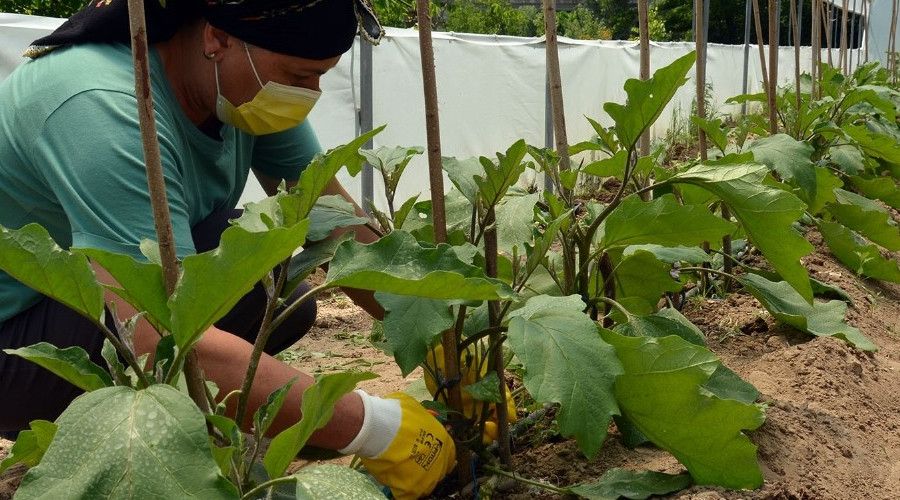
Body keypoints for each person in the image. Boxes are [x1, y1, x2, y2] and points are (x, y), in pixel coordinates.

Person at [0, 0, 455, 497]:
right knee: (197, 323)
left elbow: (336, 225)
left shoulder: (238, 90)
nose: (309, 95)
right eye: (298, 75)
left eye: (320, 77)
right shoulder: (101, 104)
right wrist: (374, 427)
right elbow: (160, 338)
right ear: (215, 38)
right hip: (18, 347)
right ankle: (119, 446)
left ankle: (190, 422)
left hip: (84, 307)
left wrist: (441, 342)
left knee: (276, 286)